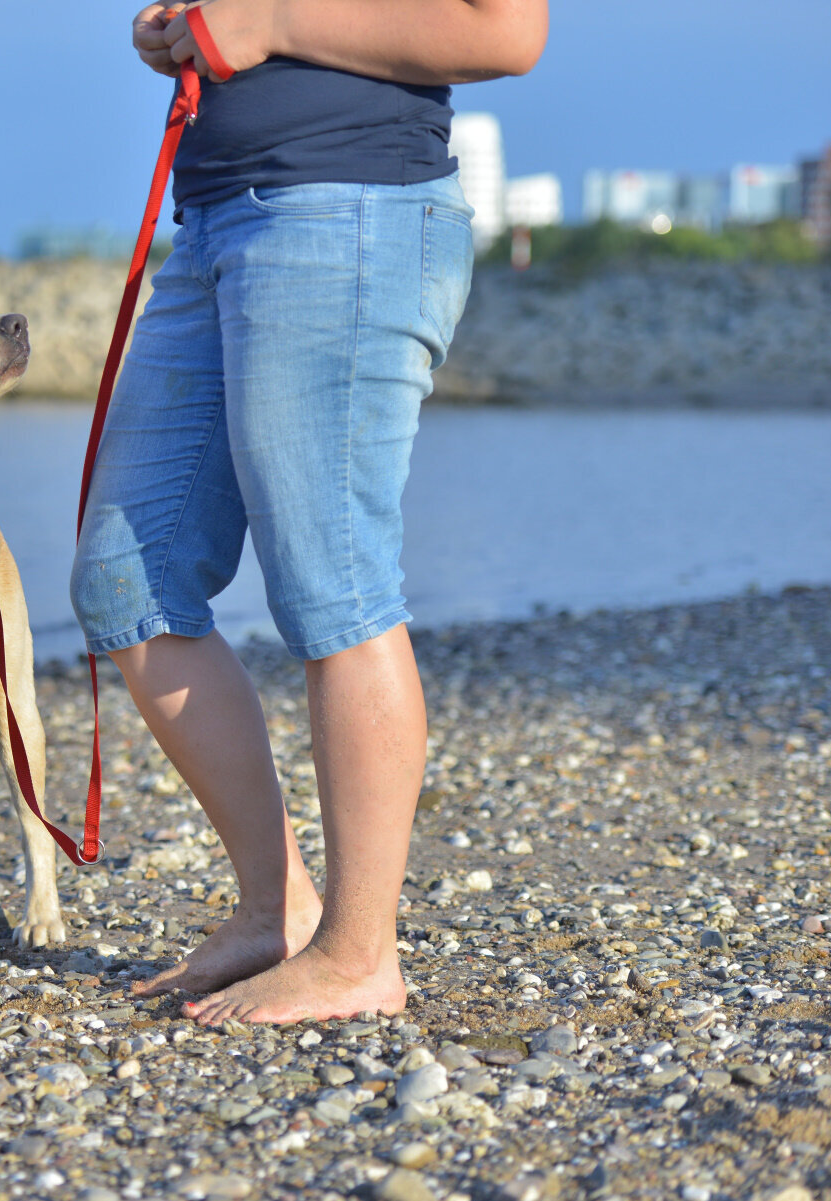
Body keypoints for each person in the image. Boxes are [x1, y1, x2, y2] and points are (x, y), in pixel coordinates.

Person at [70, 0, 548, 1025]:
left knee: (334, 587)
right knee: (125, 578)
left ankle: (360, 954)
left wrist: (273, 22)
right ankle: (277, 911)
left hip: (349, 212)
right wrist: (184, 31)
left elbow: (507, 33)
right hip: (214, 219)